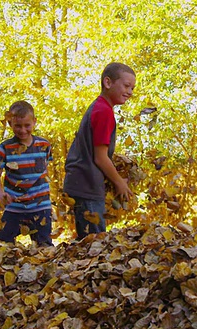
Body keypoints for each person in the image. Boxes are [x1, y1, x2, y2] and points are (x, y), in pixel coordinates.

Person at [63, 62, 136, 240]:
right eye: (126, 85)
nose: (130, 92)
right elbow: (100, 158)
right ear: (108, 82)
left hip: (83, 181)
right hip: (86, 183)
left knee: (92, 240)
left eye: (132, 88)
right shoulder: (104, 112)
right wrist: (119, 183)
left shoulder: (99, 107)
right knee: (94, 244)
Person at [0, 100, 53, 246]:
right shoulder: (5, 148)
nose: (23, 130)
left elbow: (45, 171)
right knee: (1, 244)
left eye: (27, 125)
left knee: (43, 246)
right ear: (10, 123)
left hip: (40, 206)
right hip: (14, 207)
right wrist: (1, 195)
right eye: (18, 126)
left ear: (34, 122)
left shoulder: (44, 146)